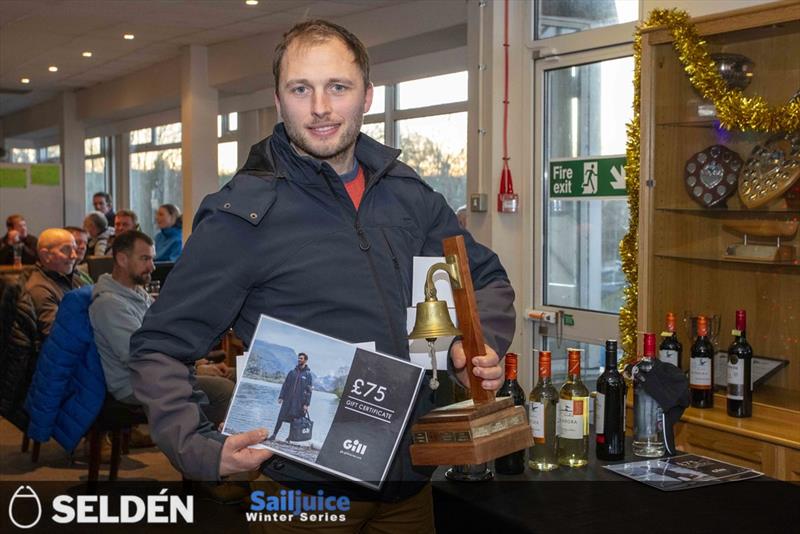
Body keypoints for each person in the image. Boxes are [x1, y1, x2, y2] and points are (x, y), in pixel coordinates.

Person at [129, 19, 514, 530]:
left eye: (338, 86)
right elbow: (157, 346)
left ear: (367, 95)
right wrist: (198, 446)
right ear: (279, 99)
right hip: (302, 490)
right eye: (300, 89)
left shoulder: (408, 195)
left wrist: (474, 344)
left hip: (409, 481)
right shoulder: (241, 215)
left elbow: (482, 278)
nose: (320, 108)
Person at [90, 230, 232, 425]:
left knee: (237, 378)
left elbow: (167, 337)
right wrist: (196, 371)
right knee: (225, 391)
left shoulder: (137, 293)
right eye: (145, 259)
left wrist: (200, 364)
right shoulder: (109, 304)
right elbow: (141, 357)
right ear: (122, 259)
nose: (152, 266)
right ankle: (207, 451)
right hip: (138, 382)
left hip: (160, 373)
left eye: (152, 259)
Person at [23, 228, 88, 340]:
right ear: (46, 255)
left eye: (74, 249)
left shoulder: (74, 278)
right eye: (66, 250)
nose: (74, 256)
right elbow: (59, 335)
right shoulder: (39, 289)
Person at [268, 353, 312, 441]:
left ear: (305, 360)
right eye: (299, 358)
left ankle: (289, 438)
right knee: (280, 417)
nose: (299, 360)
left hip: (299, 403)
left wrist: (306, 404)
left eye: (301, 358)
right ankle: (274, 435)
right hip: (288, 401)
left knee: (295, 420)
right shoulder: (292, 372)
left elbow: (309, 391)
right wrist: (281, 397)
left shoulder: (308, 375)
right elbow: (285, 385)